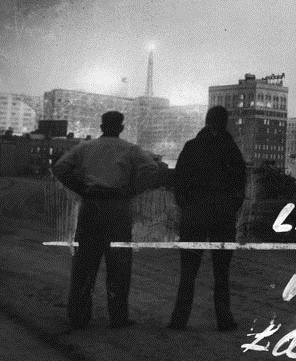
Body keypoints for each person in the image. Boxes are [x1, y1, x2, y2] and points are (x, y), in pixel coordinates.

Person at [52, 111, 166, 329]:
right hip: (117, 208)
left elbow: (60, 168)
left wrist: (80, 188)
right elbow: (152, 169)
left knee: (84, 262)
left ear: (102, 126)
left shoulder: (85, 148)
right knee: (119, 264)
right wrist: (132, 190)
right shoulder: (130, 149)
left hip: (91, 206)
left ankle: (78, 315)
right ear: (121, 127)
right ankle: (118, 316)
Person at [168, 106, 246, 331]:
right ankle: (224, 319)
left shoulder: (192, 147)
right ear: (225, 122)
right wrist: (231, 207)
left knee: (188, 270)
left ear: (206, 121)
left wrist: (188, 205)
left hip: (195, 212)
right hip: (222, 213)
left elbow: (179, 180)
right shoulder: (231, 148)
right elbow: (240, 183)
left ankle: (179, 319)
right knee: (221, 271)